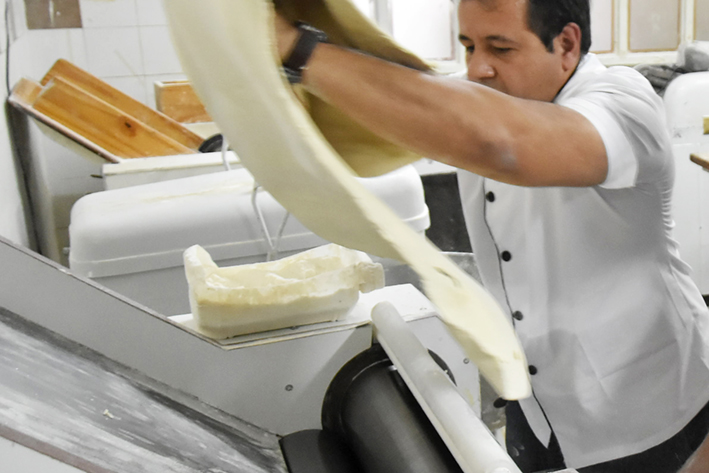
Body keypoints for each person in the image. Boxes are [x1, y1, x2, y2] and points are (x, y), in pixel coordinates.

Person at [274, 0, 709, 471]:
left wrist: (297, 49)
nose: (478, 69)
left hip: (648, 410)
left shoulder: (624, 104)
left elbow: (507, 144)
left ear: (566, 44)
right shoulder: (485, 101)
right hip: (536, 401)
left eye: (501, 48)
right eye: (469, 46)